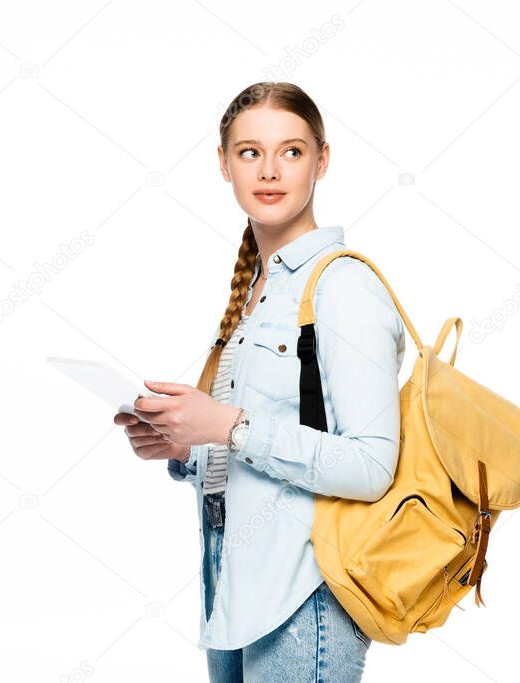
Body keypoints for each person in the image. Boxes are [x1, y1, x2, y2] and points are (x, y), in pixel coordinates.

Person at [113, 81, 406, 682]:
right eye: (249, 152)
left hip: (304, 593)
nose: (270, 171)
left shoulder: (341, 287)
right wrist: (184, 445)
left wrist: (228, 424)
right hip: (231, 579)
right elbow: (260, 443)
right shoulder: (260, 289)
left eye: (291, 152)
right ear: (224, 164)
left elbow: (373, 467)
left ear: (322, 160)